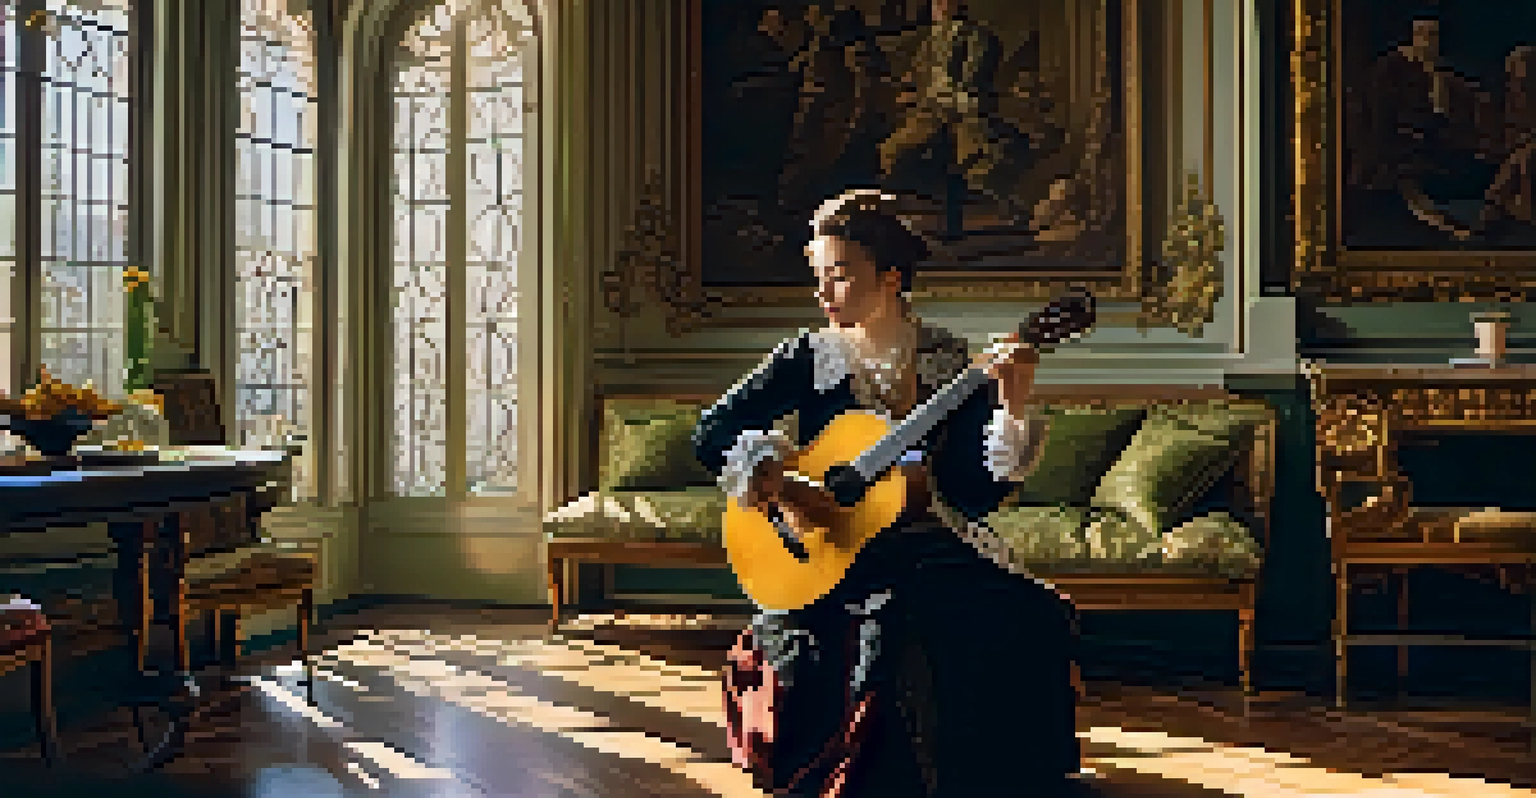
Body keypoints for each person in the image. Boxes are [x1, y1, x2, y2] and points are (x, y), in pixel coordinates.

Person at [694, 189, 1080, 797]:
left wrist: (1013, 400)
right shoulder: (807, 357)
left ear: (892, 277)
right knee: (879, 625)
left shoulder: (950, 363)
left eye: (840, 277)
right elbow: (712, 431)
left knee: (1029, 614)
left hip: (927, 540)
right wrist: (782, 483)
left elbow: (976, 493)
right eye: (819, 276)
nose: (824, 293)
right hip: (827, 546)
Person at [877, 0, 1026, 217]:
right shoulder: (929, 41)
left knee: (976, 155)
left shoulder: (978, 38)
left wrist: (944, 96)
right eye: (936, 2)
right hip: (931, 111)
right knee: (892, 151)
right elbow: (916, 76)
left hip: (965, 109)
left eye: (945, 1)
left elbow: (973, 81)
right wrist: (910, 91)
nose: (939, 6)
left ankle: (982, 216)